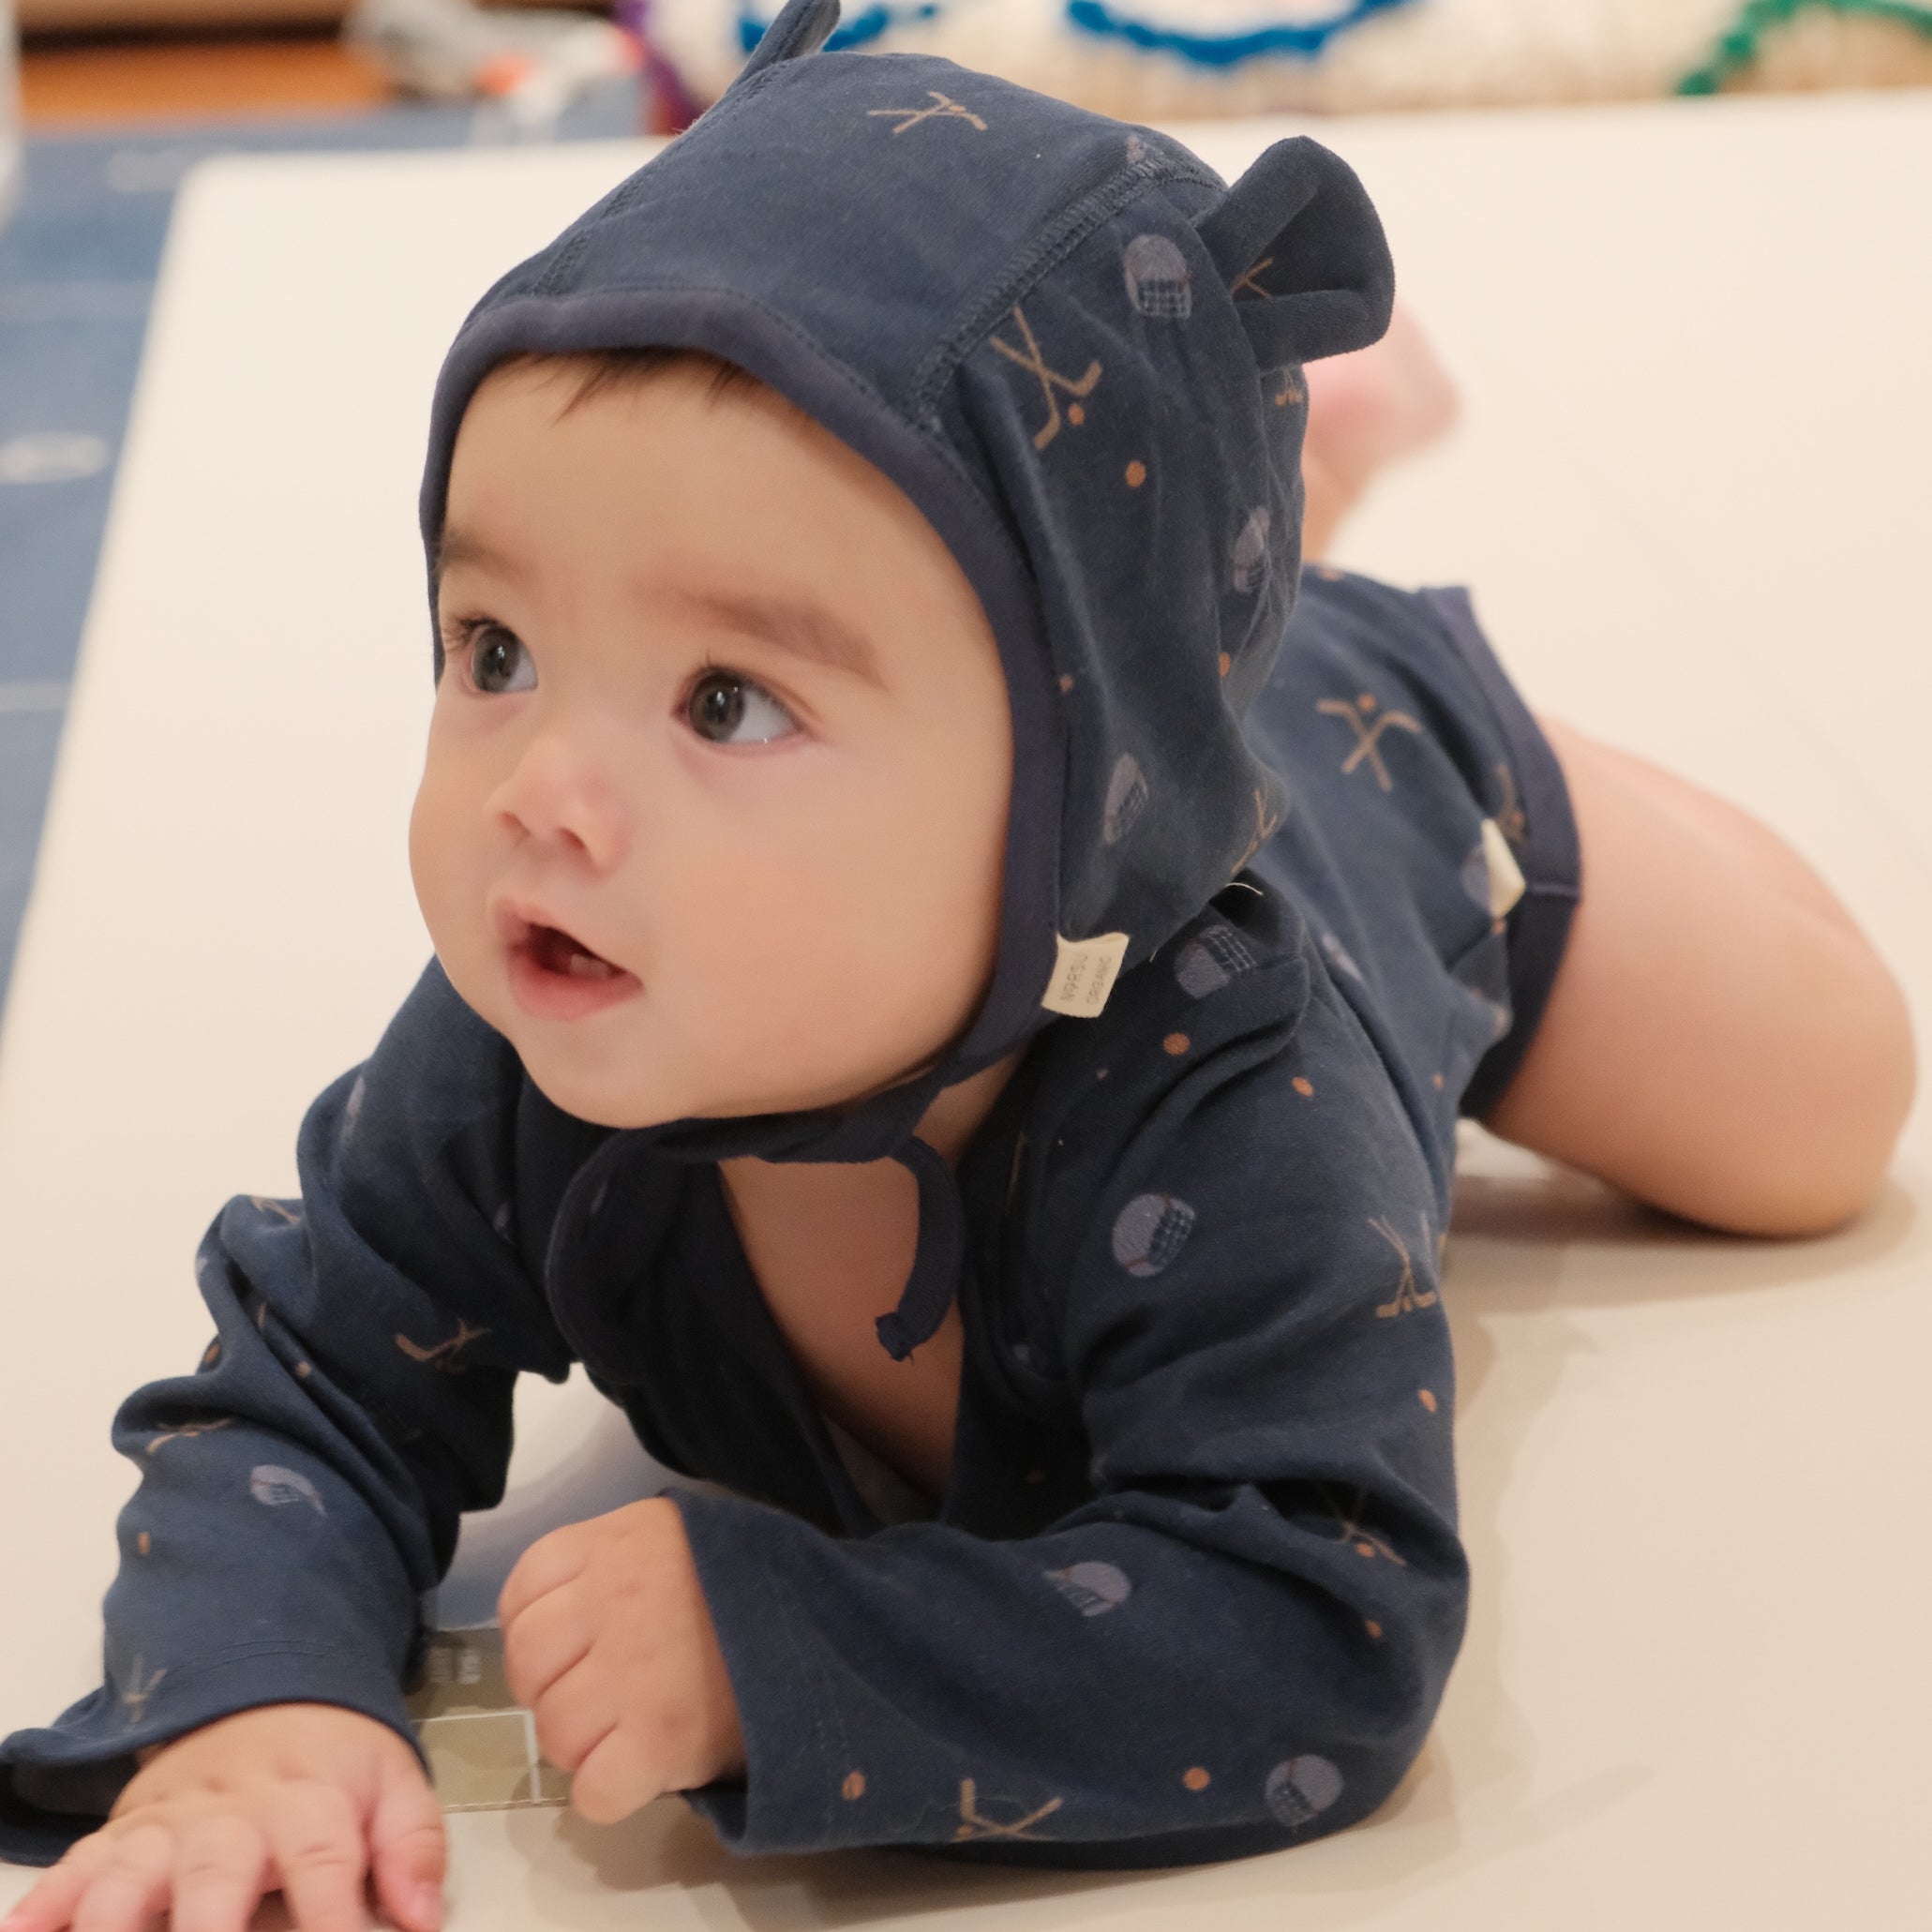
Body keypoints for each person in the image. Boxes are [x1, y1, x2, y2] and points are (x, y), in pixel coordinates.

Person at [0, 2, 1914, 1925]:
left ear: (1071, 806)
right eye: (494, 648)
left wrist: (787, 1647)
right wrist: (246, 1699)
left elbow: (1315, 1610)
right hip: (1103, 702)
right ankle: (1252, 503)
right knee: (1095, 589)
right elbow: (301, 1377)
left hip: (1398, 786)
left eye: (725, 699)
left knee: (1819, 1119)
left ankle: (1311, 586)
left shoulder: (1242, 1100)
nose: (544, 795)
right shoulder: (538, 1015)